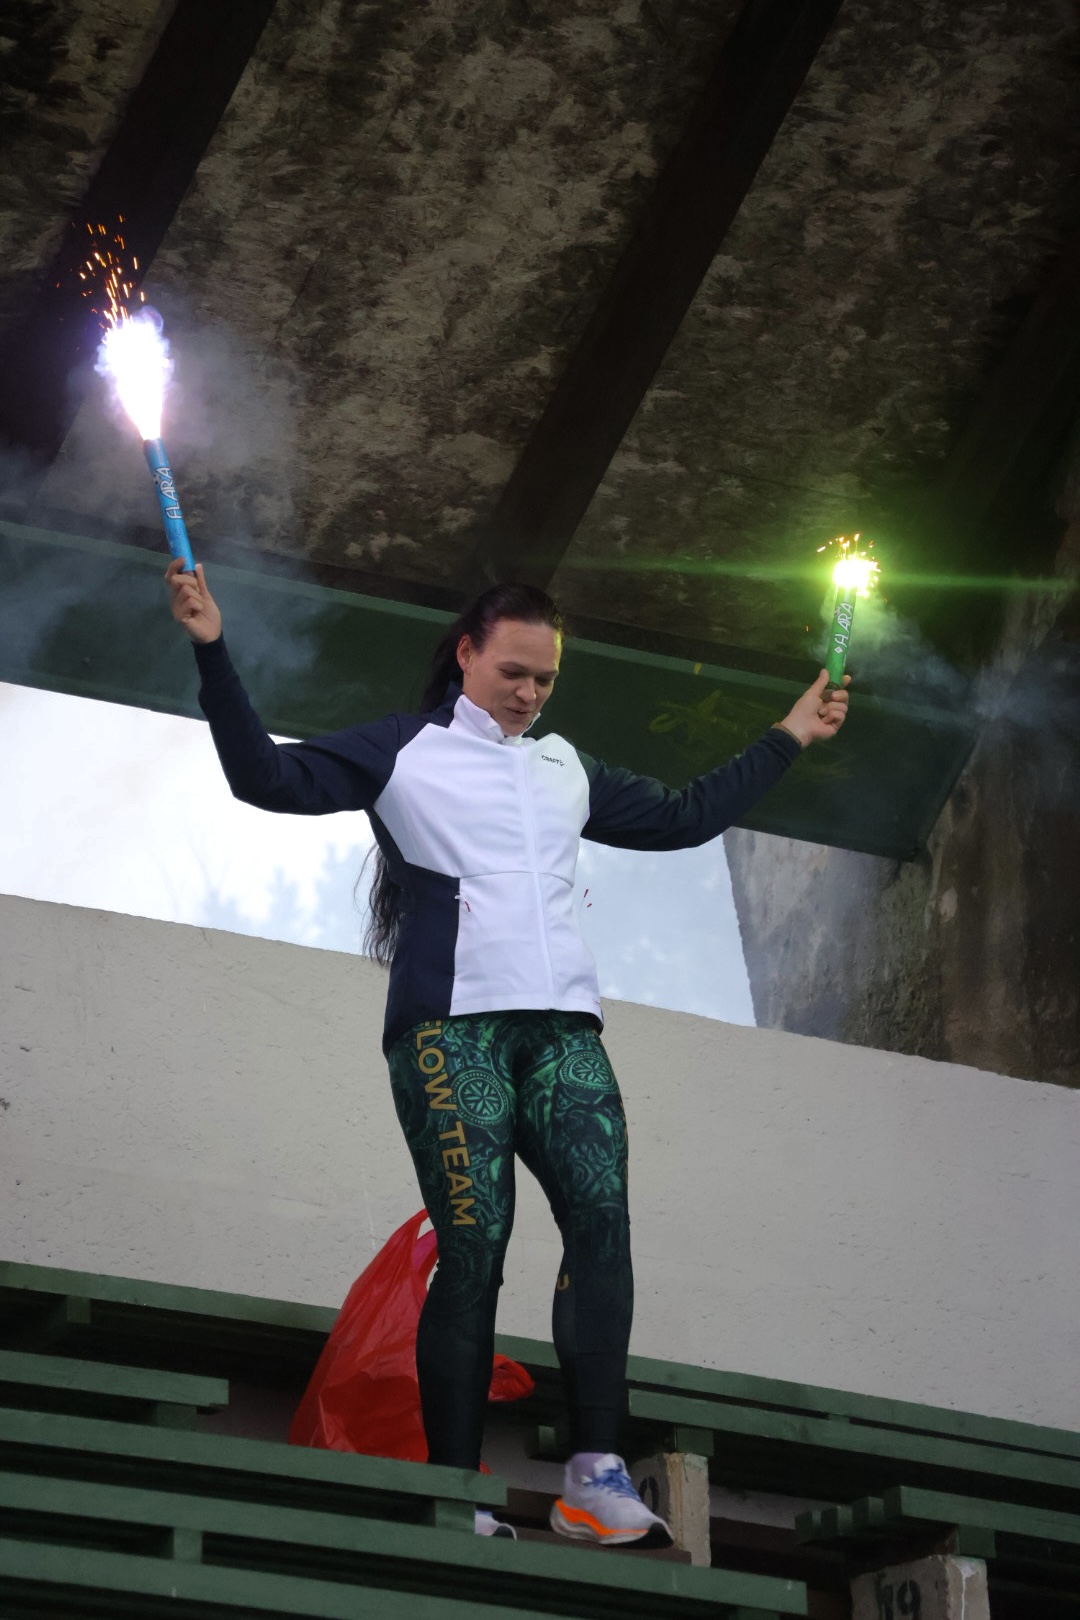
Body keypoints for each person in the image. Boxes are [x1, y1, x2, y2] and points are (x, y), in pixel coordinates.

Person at [166, 557, 849, 1547]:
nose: (529, 693)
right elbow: (263, 778)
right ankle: (456, 1494)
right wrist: (212, 651)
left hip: (564, 1029)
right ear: (466, 656)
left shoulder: (565, 767)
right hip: (452, 1030)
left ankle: (594, 1478)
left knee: (602, 1224)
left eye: (545, 679)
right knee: (477, 1241)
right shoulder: (403, 751)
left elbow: (685, 818)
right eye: (512, 672)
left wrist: (790, 733)